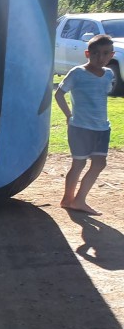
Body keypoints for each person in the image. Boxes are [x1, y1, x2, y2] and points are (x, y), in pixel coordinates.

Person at [55, 33, 116, 215]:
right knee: (79, 164)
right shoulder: (77, 73)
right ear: (87, 54)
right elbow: (59, 94)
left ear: (111, 55)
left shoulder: (109, 74)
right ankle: (68, 199)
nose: (100, 57)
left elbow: (103, 94)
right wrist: (68, 115)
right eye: (95, 53)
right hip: (80, 127)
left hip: (102, 127)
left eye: (105, 53)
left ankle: (79, 200)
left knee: (99, 163)